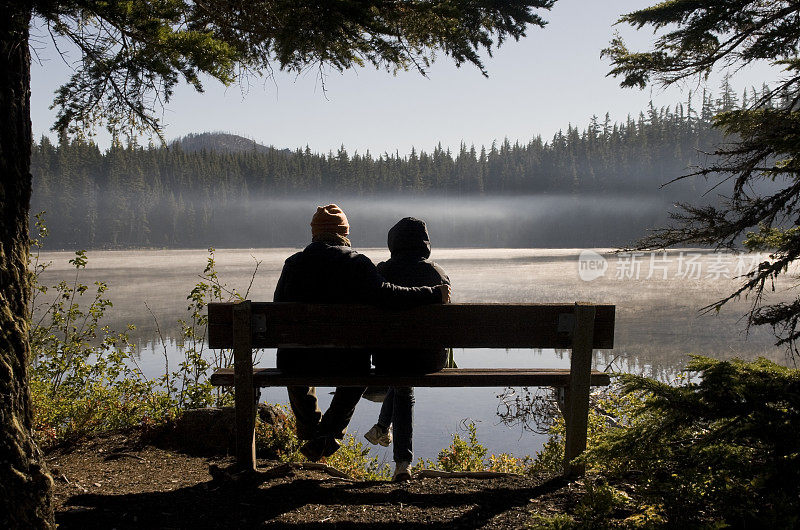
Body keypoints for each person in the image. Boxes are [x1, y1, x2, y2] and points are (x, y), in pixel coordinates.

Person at [273, 205, 450, 462]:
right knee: (358, 372)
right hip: (346, 364)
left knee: (293, 365)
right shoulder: (357, 264)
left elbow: (278, 311)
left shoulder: (293, 264)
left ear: (314, 233)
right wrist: (433, 292)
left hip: (297, 362)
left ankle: (312, 432)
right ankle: (330, 432)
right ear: (344, 232)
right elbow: (388, 295)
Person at [364, 217, 450, 482]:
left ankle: (400, 457)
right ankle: (399, 458)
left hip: (388, 359)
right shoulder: (437, 274)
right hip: (429, 360)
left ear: (393, 243)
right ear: (425, 243)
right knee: (404, 379)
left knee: (400, 373)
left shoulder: (380, 273)